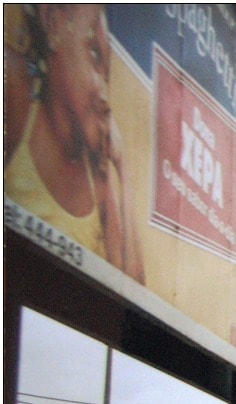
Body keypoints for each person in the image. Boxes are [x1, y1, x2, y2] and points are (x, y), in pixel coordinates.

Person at [4, 4, 144, 283]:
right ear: (53, 23)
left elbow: (132, 289)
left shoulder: (97, 170)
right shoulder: (16, 90)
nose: (104, 94)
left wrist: (123, 169)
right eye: (94, 55)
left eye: (107, 75)